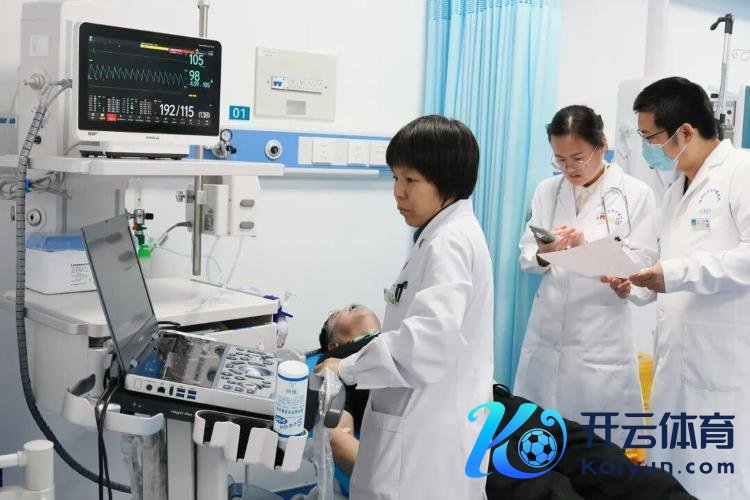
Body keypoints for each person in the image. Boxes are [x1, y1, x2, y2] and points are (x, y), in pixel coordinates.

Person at [317, 305, 696, 500]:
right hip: (459, 436)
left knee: (611, 468)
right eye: (343, 310)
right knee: (545, 492)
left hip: (507, 408)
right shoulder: (339, 366)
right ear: (335, 342)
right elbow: (338, 437)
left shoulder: (412, 333)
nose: (356, 306)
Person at [315, 115, 495, 499]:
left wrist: (347, 367)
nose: (397, 192)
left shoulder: (449, 243)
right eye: (395, 177)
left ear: (446, 180)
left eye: (410, 180)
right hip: (427, 432)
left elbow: (425, 344)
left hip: (426, 445)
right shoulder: (442, 236)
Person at [602, 76, 750, 499]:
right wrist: (632, 285)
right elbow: (663, 268)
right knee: (672, 478)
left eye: (651, 138)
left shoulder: (741, 172)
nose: (649, 149)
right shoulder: (673, 192)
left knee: (717, 479)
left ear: (685, 131)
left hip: (721, 366)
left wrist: (672, 273)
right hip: (676, 363)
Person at [514, 105, 659, 447]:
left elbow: (644, 267)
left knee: (597, 452)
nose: (569, 169)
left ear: (602, 145)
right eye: (560, 160)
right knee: (540, 447)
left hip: (601, 340)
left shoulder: (635, 194)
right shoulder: (548, 190)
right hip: (548, 334)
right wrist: (545, 252)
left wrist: (589, 248)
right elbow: (526, 256)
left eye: (578, 158)